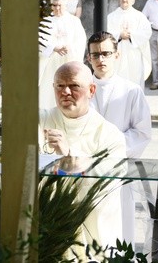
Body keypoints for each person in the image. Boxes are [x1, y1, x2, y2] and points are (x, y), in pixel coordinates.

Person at [39, 61, 127, 254]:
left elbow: (106, 186)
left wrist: (69, 156)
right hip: (44, 232)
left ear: (91, 90)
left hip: (90, 236)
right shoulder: (39, 121)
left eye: (74, 86)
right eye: (60, 86)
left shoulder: (110, 135)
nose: (66, 92)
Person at [86, 31, 151, 244]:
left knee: (118, 231)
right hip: (86, 170)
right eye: (95, 55)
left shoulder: (131, 91)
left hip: (119, 169)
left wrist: (110, 148)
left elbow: (142, 132)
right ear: (88, 58)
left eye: (106, 53)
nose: (100, 59)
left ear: (117, 55)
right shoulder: (81, 90)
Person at [39, 0, 86, 109]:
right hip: (51, 62)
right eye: (54, 5)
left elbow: (80, 40)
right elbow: (39, 41)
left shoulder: (74, 21)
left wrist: (69, 48)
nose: (57, 8)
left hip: (68, 60)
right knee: (49, 92)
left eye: (60, 5)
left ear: (65, 6)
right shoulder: (45, 22)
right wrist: (53, 48)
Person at [106, 0, 152, 88]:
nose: (124, 0)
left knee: (134, 79)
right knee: (118, 80)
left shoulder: (139, 16)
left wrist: (131, 35)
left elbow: (147, 32)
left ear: (133, 1)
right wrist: (119, 34)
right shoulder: (112, 16)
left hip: (133, 52)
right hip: (117, 52)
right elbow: (106, 32)